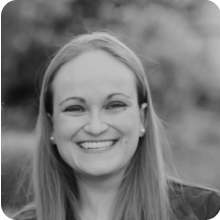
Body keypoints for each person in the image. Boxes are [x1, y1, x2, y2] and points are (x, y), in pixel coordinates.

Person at [11, 31, 220, 220]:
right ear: (52, 125)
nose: (95, 127)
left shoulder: (207, 211)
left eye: (115, 105)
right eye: (75, 108)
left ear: (142, 118)